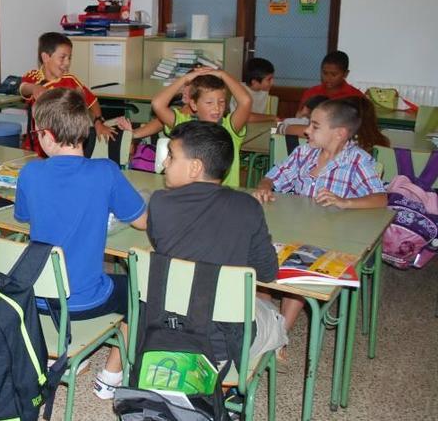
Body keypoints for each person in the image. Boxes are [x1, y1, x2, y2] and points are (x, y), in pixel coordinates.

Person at [12, 88, 147, 400]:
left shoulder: (30, 172)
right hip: (83, 300)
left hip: (39, 299)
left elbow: (23, 217)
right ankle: (110, 375)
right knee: (143, 291)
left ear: (45, 135)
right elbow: (142, 222)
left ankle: (69, 350)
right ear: (86, 131)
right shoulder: (105, 172)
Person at [147, 120, 286, 373]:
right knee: (273, 313)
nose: (165, 163)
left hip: (167, 328)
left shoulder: (159, 203)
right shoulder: (248, 207)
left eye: (171, 156)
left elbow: (164, 248)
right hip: (226, 345)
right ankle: (234, 385)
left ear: (195, 167)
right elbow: (268, 273)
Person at [253, 99, 387, 355]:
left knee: (298, 266)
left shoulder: (357, 161)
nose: (306, 131)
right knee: (259, 252)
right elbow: (274, 175)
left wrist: (345, 202)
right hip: (294, 229)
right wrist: (265, 187)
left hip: (330, 240)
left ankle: (278, 337)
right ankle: (265, 317)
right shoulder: (305, 153)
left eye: (314, 126)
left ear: (339, 133)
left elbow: (380, 198)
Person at [151, 67, 252, 187]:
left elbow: (246, 101)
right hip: (190, 195)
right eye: (209, 103)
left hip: (223, 197)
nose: (217, 108)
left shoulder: (230, 127)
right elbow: (157, 104)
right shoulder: (184, 125)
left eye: (221, 102)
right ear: (194, 104)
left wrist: (223, 74)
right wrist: (185, 79)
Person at [18, 32, 115, 156]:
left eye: (69, 58)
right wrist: (34, 88)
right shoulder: (33, 77)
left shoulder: (71, 81)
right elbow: (22, 88)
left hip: (66, 146)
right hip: (36, 147)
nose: (67, 63)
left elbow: (92, 101)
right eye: (62, 57)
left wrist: (98, 122)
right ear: (46, 57)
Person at [298, 50, 363, 111]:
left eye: (334, 74)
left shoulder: (356, 96)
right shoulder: (311, 93)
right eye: (325, 73)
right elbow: (300, 117)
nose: (328, 78)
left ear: (345, 74)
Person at [233, 57, 278, 123]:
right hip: (241, 129)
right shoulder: (239, 90)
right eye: (269, 79)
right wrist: (272, 117)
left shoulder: (264, 89)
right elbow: (245, 117)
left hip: (258, 126)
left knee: (281, 131)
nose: (272, 82)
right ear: (254, 82)